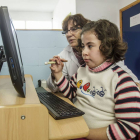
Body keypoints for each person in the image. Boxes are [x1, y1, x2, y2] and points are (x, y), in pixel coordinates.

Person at [49, 20, 140, 140]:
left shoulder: (121, 81)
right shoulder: (82, 70)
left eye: (90, 46)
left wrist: (85, 133)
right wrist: (58, 73)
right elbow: (70, 93)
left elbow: (129, 128)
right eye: (83, 46)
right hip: (78, 130)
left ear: (107, 47)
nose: (84, 52)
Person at [46, 14, 140, 93]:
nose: (69, 34)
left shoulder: (107, 54)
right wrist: (55, 74)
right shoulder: (65, 56)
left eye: (74, 29)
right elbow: (54, 88)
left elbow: (129, 80)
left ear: (85, 29)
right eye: (66, 31)